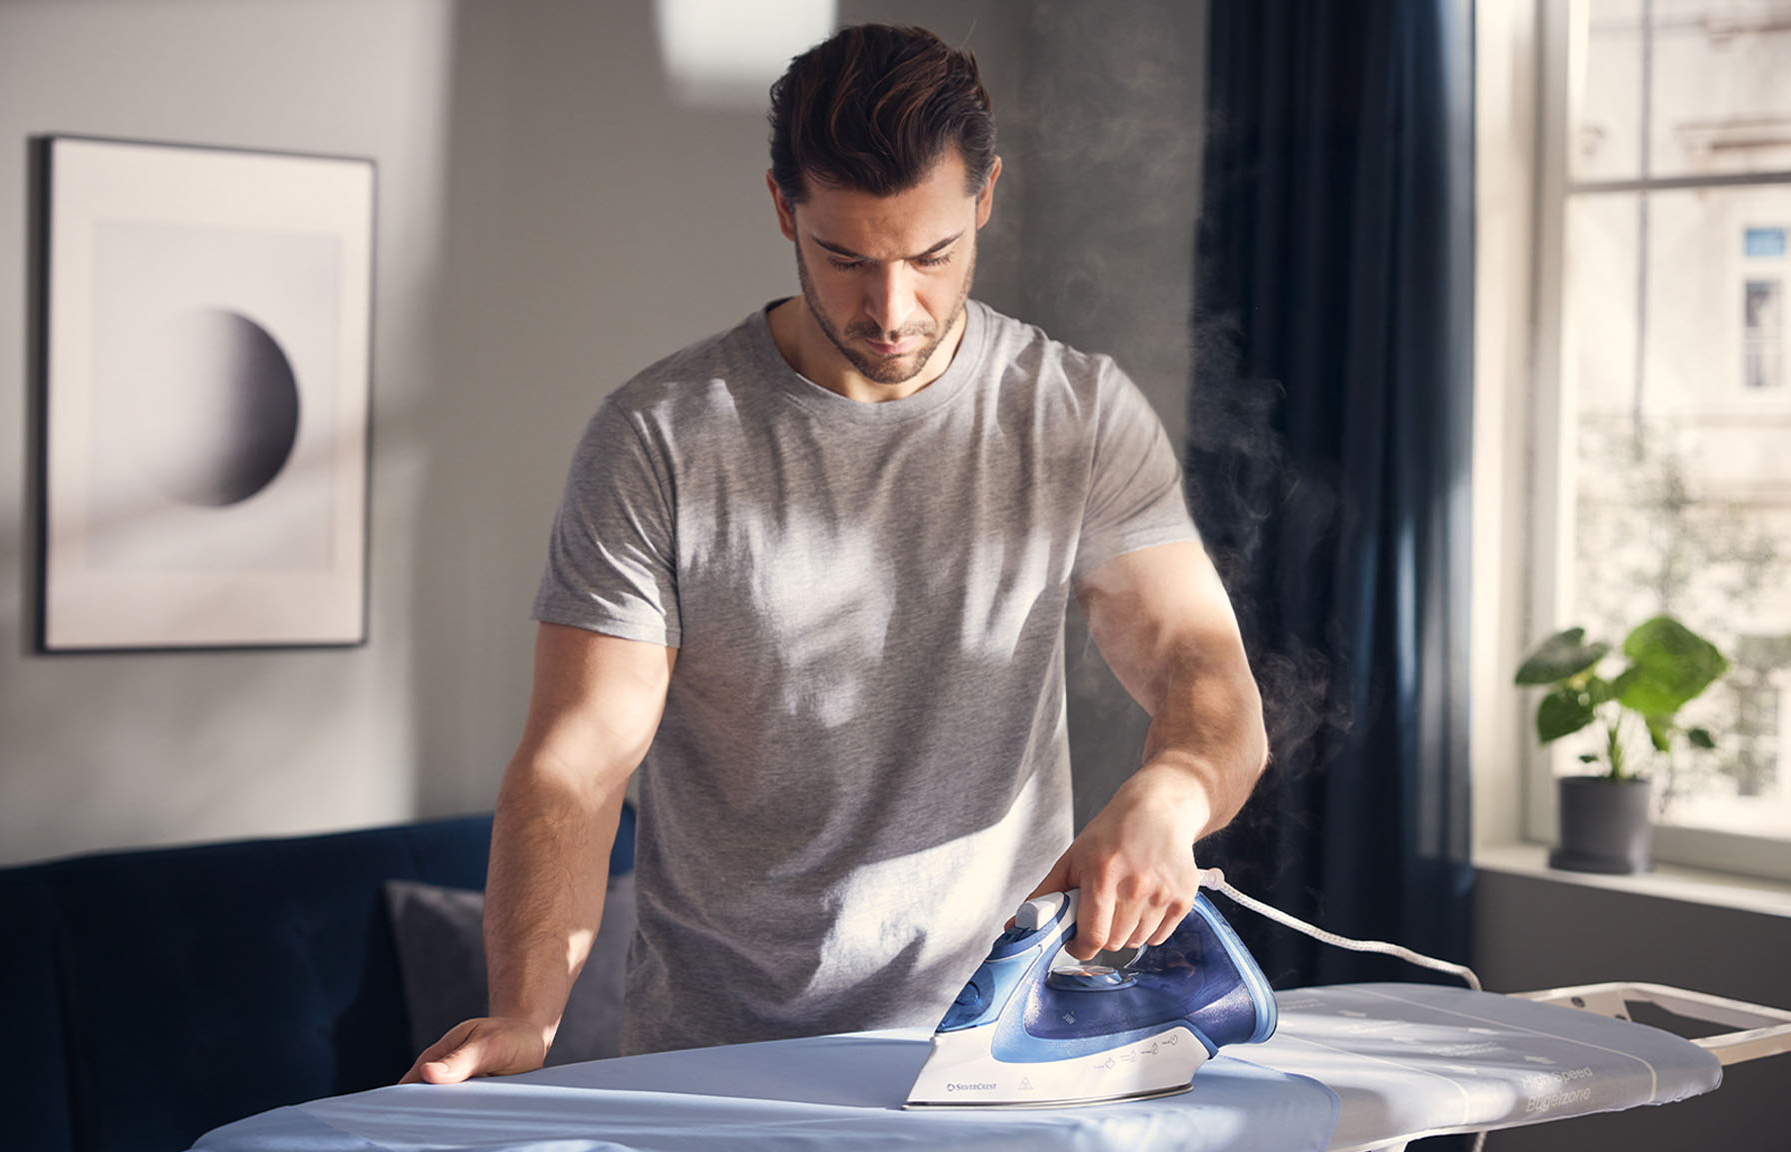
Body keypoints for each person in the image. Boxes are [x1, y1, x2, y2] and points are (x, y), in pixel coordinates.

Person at [402, 23, 1266, 1084]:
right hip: (720, 1065)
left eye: (931, 257)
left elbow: (1203, 676)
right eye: (847, 258)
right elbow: (577, 761)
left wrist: (1168, 794)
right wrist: (526, 1013)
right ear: (783, 209)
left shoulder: (1074, 415)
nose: (892, 309)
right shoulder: (659, 438)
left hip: (992, 1064)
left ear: (985, 195)